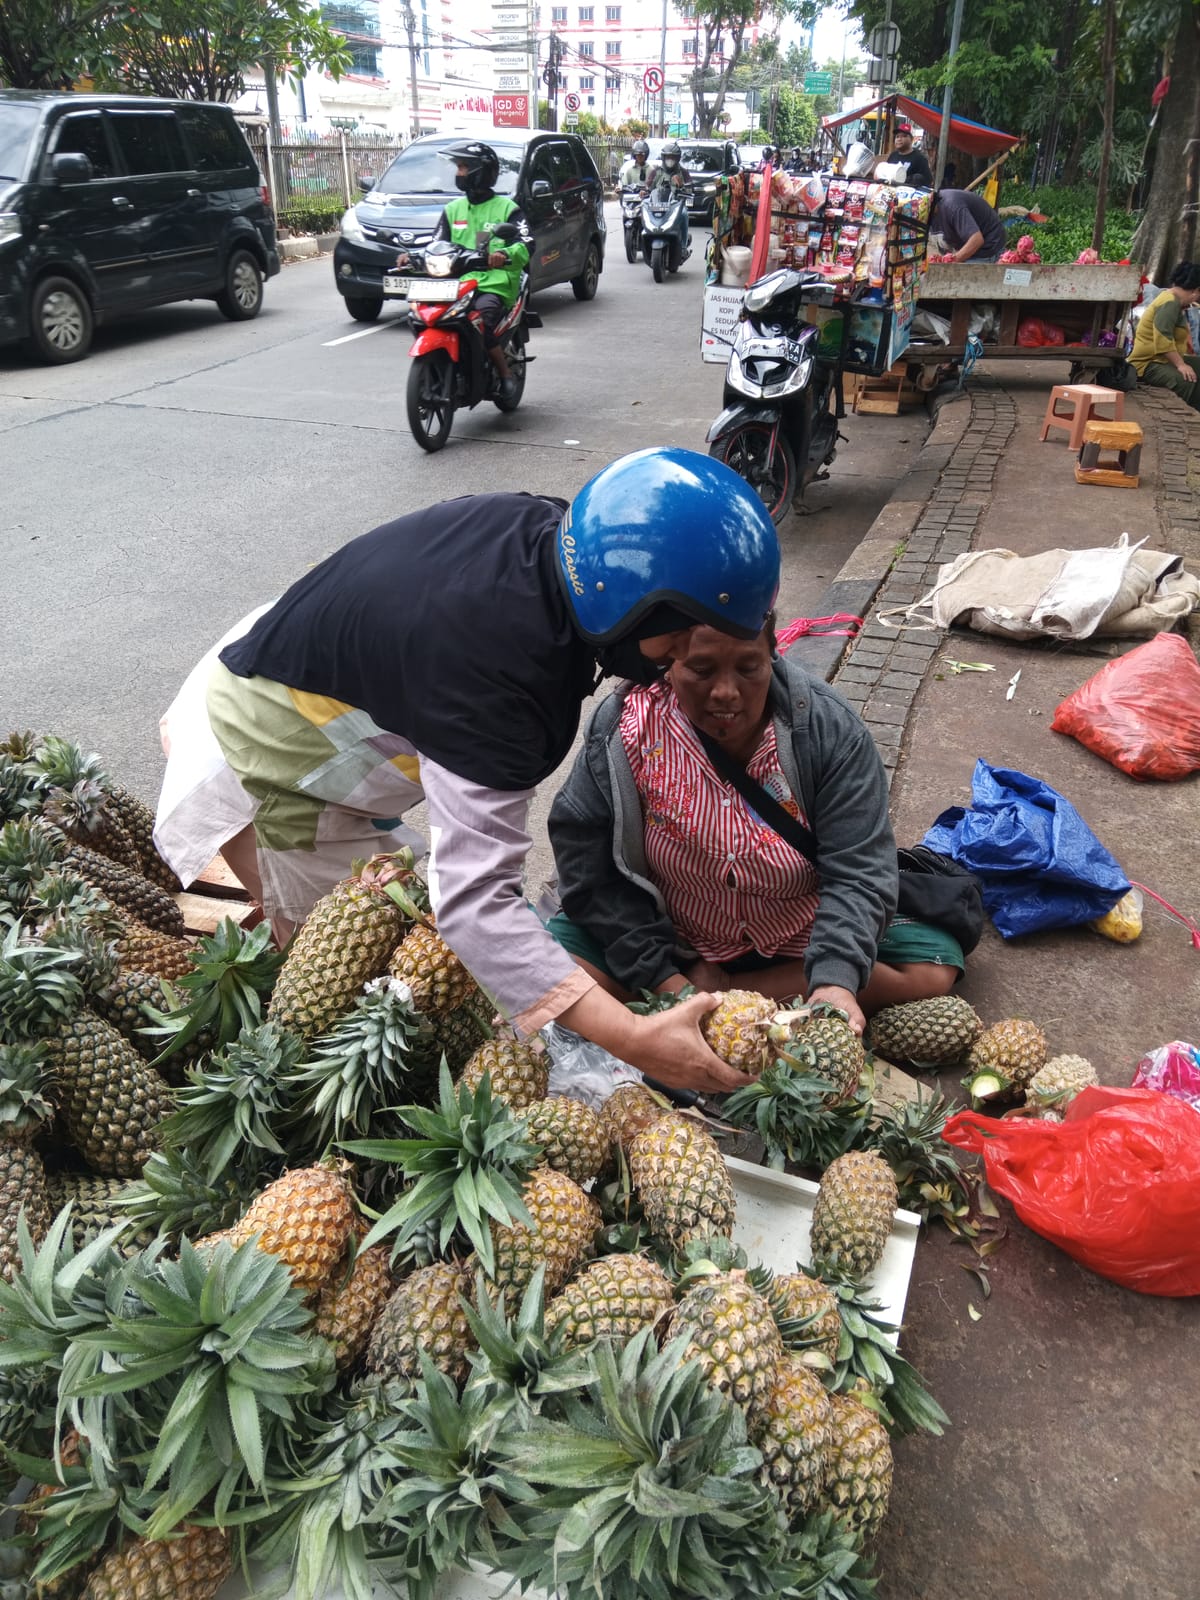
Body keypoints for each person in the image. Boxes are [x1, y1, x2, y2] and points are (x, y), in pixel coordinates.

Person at [153, 450, 781, 1094]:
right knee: (335, 1002)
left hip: (308, 658)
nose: (667, 668)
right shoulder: (501, 679)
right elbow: (475, 902)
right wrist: (633, 1039)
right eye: (673, 647)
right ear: (632, 607)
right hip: (266, 735)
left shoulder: (554, 538)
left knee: (419, 956)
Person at [546, 622, 963, 1038]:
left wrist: (834, 981)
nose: (726, 691)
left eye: (748, 668)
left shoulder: (828, 731)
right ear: (668, 662)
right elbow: (587, 866)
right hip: (677, 938)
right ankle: (700, 995)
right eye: (702, 670)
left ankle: (728, 992)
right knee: (547, 964)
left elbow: (858, 867)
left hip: (794, 936)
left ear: (773, 655)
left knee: (933, 968)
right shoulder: (626, 730)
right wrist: (666, 979)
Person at [394, 141, 529, 402]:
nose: (459, 173)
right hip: (455, 284)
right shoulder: (452, 209)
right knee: (421, 317)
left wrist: (505, 255)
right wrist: (411, 256)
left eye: (464, 167)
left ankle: (505, 375)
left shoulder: (507, 209)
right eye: (458, 167)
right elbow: (436, 243)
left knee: (481, 322)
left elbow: (526, 245)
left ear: (481, 171)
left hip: (494, 284)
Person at [1129, 261, 1200, 410]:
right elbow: (1162, 339)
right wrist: (1181, 365)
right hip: (1147, 363)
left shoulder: (1175, 300)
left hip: (1160, 358)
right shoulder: (1169, 303)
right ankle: (1186, 412)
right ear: (1195, 291)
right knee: (1184, 380)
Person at [929, 187, 1006, 263]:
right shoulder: (924, 211)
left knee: (957, 273)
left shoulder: (953, 207)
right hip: (964, 245)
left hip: (987, 246)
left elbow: (977, 240)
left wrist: (952, 261)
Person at [646, 138, 691, 251]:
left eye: (673, 157)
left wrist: (681, 185)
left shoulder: (684, 173)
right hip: (658, 204)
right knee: (644, 211)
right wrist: (644, 191)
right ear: (663, 157)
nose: (670, 160)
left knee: (685, 215)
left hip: (675, 205)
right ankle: (647, 240)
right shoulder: (656, 171)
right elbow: (648, 187)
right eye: (668, 157)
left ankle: (683, 246)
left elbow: (690, 190)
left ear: (677, 159)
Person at [885, 120, 932, 188]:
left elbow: (927, 181)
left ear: (911, 139)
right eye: (897, 136)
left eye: (903, 136)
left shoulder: (919, 158)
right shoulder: (893, 156)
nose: (899, 139)